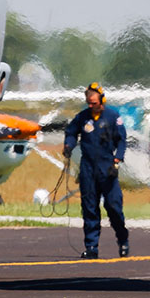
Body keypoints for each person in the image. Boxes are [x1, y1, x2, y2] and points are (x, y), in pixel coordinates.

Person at [63, 82, 130, 259]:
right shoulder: (82, 117)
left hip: (107, 167)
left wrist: (117, 158)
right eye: (89, 103)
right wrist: (68, 145)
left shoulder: (113, 117)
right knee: (89, 208)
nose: (91, 106)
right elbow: (70, 132)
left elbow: (122, 140)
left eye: (94, 102)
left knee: (113, 207)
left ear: (102, 99)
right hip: (88, 168)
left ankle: (123, 240)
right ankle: (91, 247)